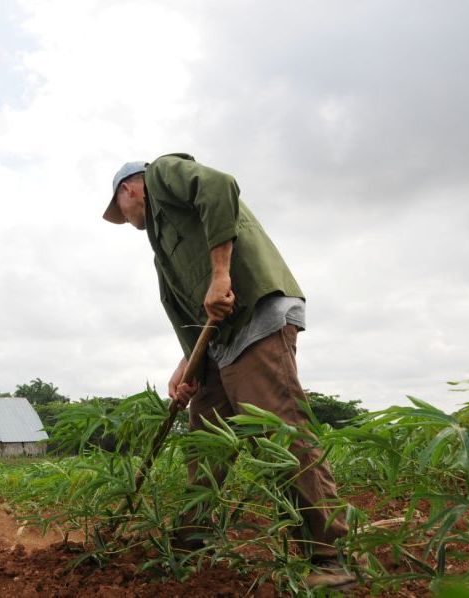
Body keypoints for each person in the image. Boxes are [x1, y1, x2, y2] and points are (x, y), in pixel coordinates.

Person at [103, 154, 358, 589]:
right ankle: (190, 544)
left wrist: (222, 274)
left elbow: (220, 185)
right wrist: (189, 368)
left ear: (129, 189)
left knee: (279, 430)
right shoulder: (162, 248)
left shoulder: (164, 174)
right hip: (220, 342)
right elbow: (190, 311)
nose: (126, 222)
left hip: (254, 315)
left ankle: (328, 558)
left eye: (120, 213)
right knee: (205, 438)